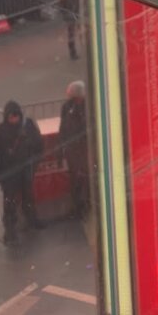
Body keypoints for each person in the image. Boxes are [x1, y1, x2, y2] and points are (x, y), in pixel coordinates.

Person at [0, 100, 45, 245]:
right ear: (6, 116)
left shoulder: (28, 126)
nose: (14, 118)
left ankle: (32, 220)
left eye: (16, 115)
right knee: (9, 202)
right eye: (11, 116)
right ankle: (10, 231)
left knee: (28, 197)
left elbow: (39, 144)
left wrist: (35, 161)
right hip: (9, 173)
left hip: (26, 169)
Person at [58, 81, 89, 218]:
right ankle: (78, 207)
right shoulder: (66, 107)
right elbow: (62, 129)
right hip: (73, 151)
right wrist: (60, 151)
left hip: (84, 149)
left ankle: (86, 205)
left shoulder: (87, 107)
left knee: (86, 179)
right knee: (75, 180)